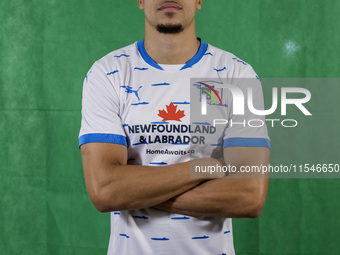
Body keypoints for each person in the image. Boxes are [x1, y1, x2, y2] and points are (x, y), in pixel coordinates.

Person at [79, 0, 271, 254]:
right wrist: (207, 167)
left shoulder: (237, 75)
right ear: (140, 1)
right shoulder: (108, 74)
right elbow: (105, 190)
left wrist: (136, 191)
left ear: (199, 1)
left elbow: (249, 195)